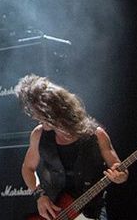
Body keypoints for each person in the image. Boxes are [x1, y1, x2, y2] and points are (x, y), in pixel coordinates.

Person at [16, 74, 128, 220]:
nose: (35, 118)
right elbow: (27, 168)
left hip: (92, 211)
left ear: (54, 112)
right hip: (57, 213)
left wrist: (120, 177)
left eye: (39, 114)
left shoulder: (97, 135)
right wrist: (39, 195)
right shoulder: (39, 134)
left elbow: (120, 170)